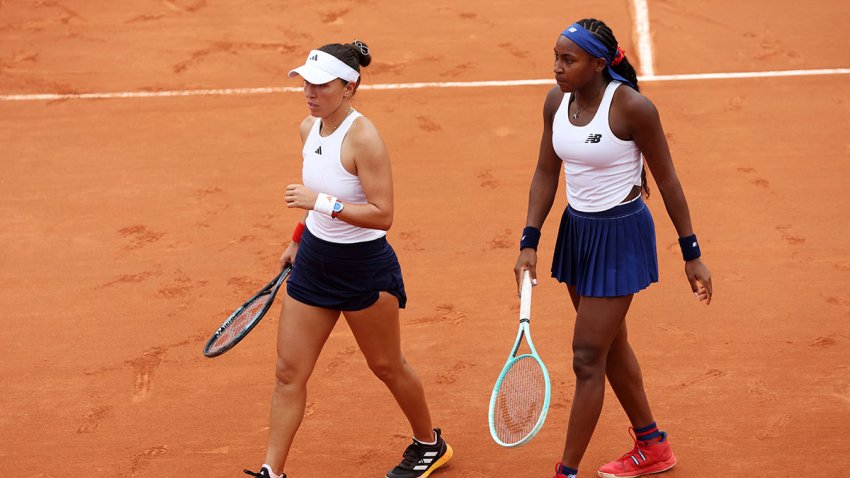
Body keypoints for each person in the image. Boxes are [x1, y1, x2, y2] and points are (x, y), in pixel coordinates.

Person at [512, 19, 713, 478]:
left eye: (569, 60)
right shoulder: (555, 102)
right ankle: (652, 444)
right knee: (611, 344)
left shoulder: (632, 109)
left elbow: (668, 180)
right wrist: (530, 239)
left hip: (621, 236)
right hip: (578, 232)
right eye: (556, 58)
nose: (558, 69)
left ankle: (567, 470)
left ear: (599, 64)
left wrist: (691, 251)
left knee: (587, 355)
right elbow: (546, 172)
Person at [244, 41, 452, 478]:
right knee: (287, 373)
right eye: (305, 82)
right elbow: (314, 197)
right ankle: (272, 471)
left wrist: (322, 203)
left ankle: (430, 444)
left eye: (320, 84)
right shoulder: (308, 129)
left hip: (363, 267)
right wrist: (298, 238)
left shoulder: (365, 139)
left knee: (387, 366)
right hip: (315, 262)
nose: (310, 91)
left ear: (349, 86)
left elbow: (383, 215)